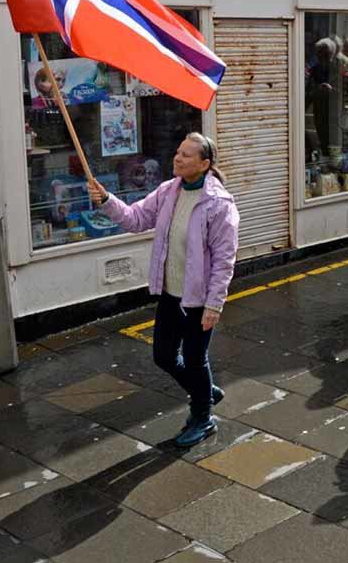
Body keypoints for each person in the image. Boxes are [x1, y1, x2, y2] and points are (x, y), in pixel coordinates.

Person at [88, 133, 238, 448]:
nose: (178, 158)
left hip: (198, 300)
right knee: (164, 356)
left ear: (205, 164)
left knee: (196, 360)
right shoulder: (169, 191)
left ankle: (202, 417)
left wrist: (214, 305)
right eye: (178, 152)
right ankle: (205, 391)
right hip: (171, 293)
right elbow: (135, 218)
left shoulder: (218, 204)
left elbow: (225, 260)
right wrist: (106, 200)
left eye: (186, 155)